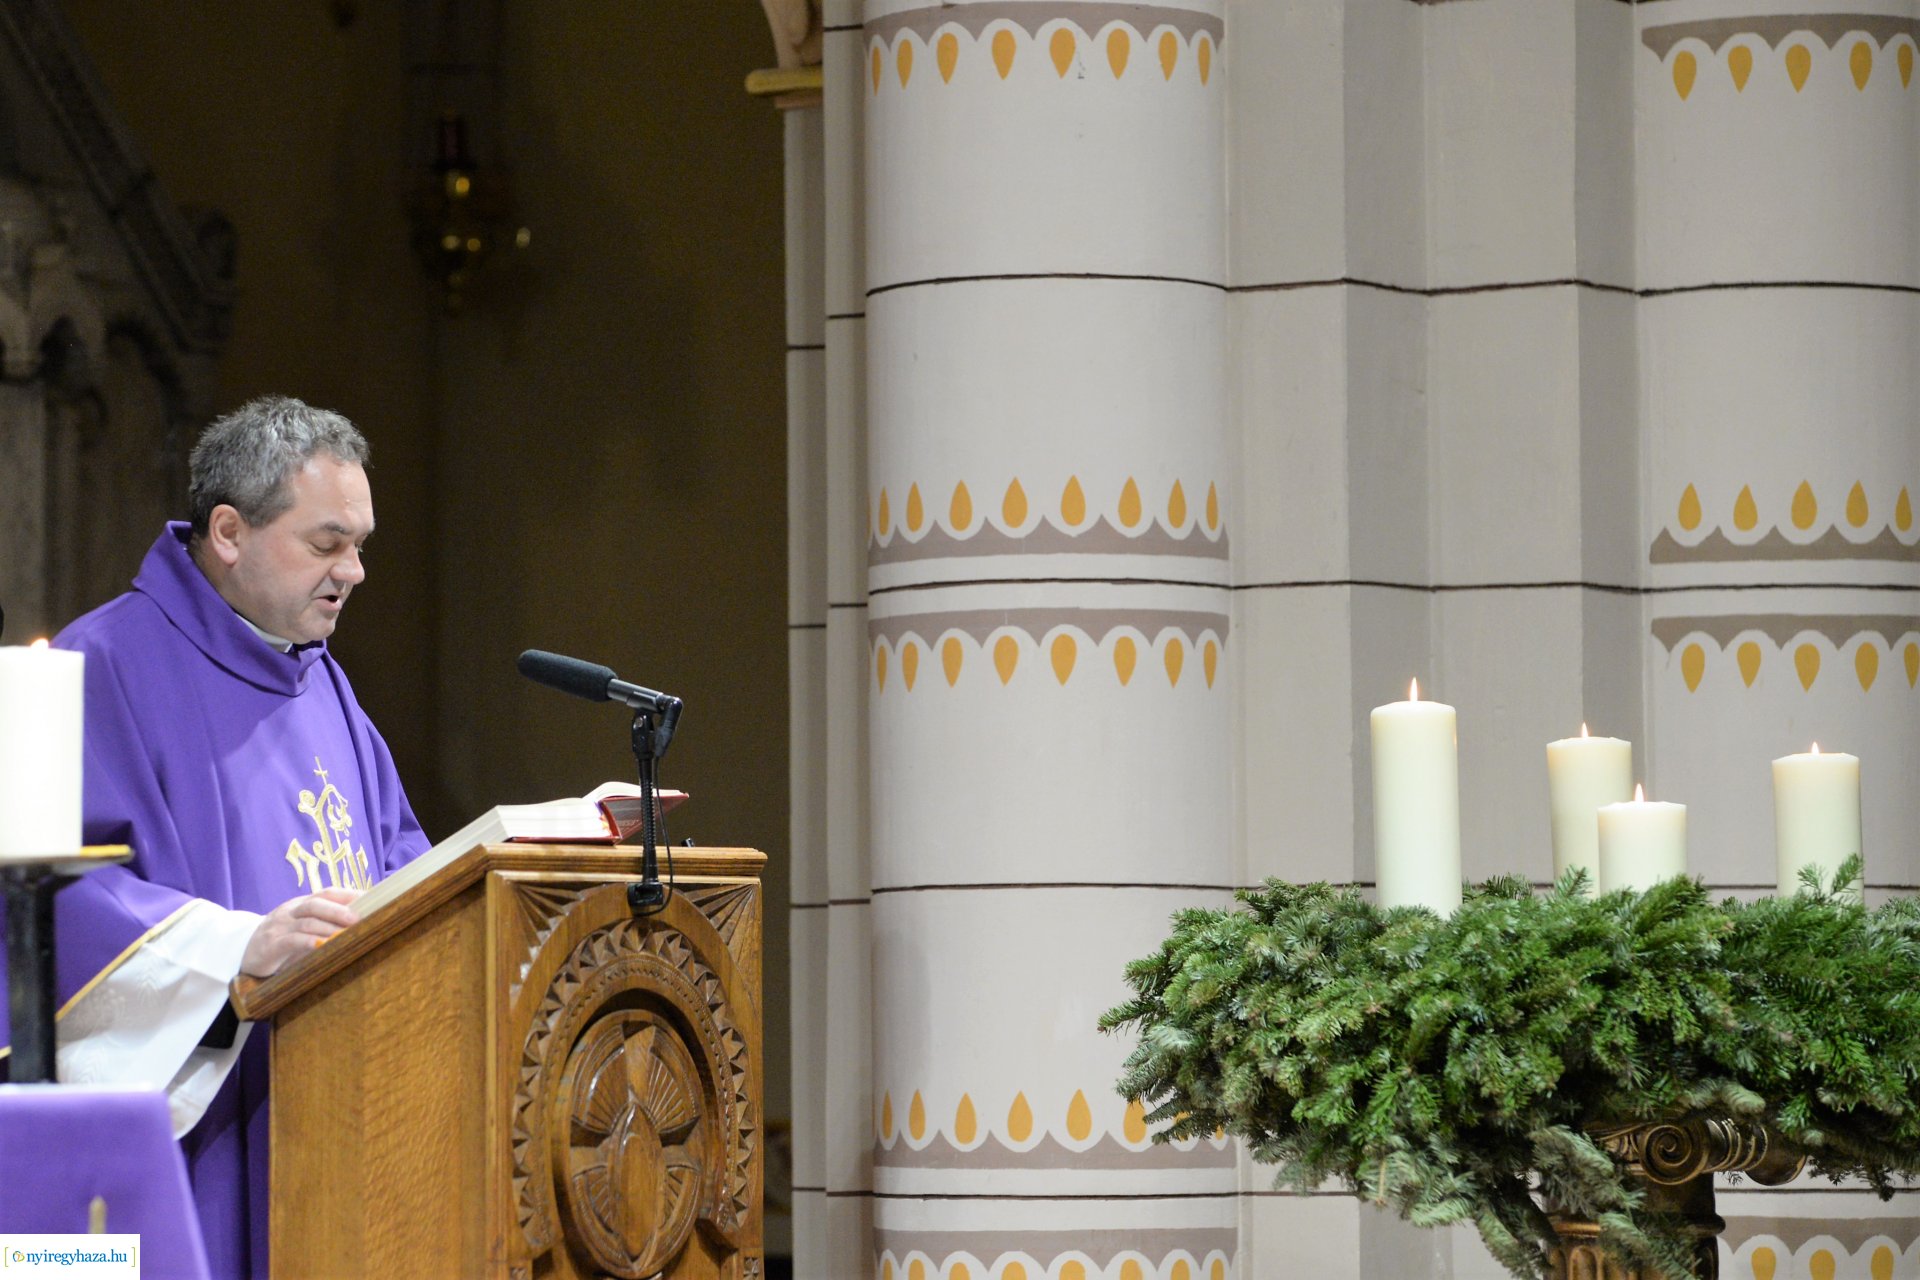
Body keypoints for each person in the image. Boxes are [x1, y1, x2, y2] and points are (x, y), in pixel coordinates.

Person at [3, 396, 430, 1277]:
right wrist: (239, 947)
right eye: (328, 543)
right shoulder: (104, 665)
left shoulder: (324, 685)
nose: (353, 572)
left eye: (361, 545)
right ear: (229, 532)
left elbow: (407, 875)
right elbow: (54, 910)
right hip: (203, 1133)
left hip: (339, 1123)